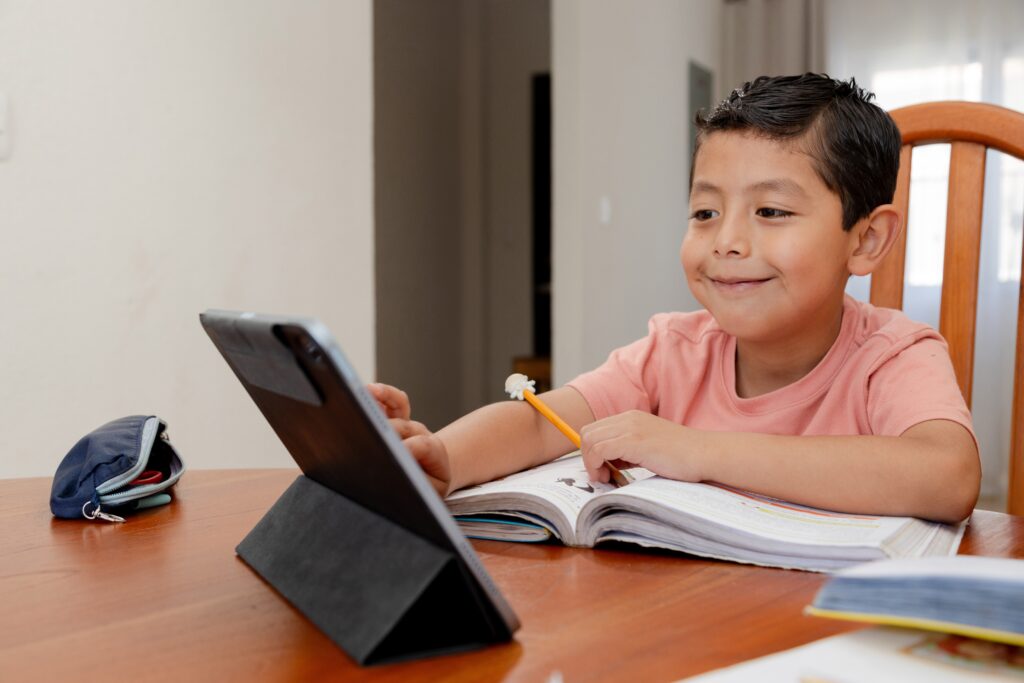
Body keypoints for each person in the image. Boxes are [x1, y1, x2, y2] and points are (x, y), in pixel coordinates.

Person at [369, 73, 980, 524]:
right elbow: (539, 426)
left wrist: (697, 450)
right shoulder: (673, 350)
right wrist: (443, 454)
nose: (727, 242)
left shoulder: (894, 355)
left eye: (771, 210)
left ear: (867, 239)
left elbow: (948, 477)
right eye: (705, 212)